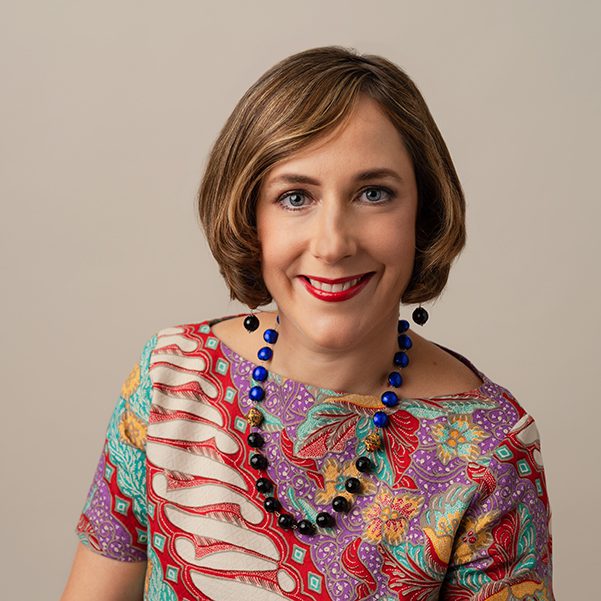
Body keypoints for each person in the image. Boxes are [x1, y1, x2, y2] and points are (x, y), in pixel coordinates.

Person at [61, 46, 554, 600]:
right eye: (296, 197)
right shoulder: (170, 381)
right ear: (251, 220)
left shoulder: (489, 449)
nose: (333, 244)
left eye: (374, 194)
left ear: (425, 211)